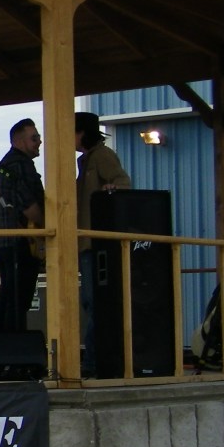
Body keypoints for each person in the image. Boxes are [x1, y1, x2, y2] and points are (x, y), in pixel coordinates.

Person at [75, 111, 131, 375]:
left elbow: (122, 182)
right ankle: (96, 360)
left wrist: (111, 190)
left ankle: (94, 362)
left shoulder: (102, 156)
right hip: (85, 242)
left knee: (94, 302)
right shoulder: (85, 161)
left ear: (81, 133)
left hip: (95, 243)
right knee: (90, 302)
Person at [0, 118, 45, 332]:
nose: (39, 142)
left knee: (11, 299)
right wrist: (48, 227)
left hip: (4, 242)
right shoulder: (19, 165)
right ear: (19, 141)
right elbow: (29, 207)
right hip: (19, 243)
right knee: (16, 302)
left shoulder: (8, 164)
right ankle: (1, 344)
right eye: (34, 138)